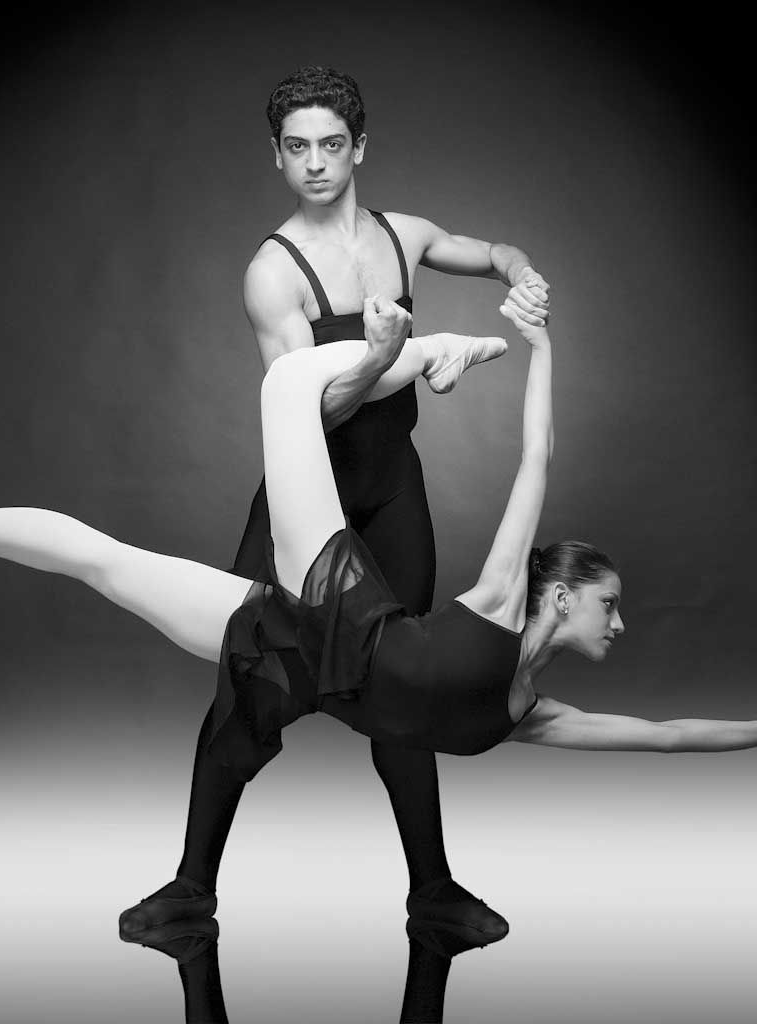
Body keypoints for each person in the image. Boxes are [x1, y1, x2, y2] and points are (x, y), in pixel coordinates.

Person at [0, 300, 757, 920]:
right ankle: (423, 349)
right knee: (286, 387)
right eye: (609, 605)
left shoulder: (528, 713)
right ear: (559, 594)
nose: (619, 624)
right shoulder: (498, 599)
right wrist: (536, 346)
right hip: (338, 601)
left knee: (108, 567)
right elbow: (537, 456)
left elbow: (666, 736)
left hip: (295, 654)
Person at [136, 65, 551, 944]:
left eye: (331, 144)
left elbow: (485, 251)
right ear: (277, 157)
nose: (316, 163)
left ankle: (433, 891)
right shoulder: (271, 273)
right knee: (249, 683)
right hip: (306, 503)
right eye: (298, 148)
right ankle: (189, 889)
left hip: (391, 492)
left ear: (359, 147)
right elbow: (308, 412)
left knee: (410, 685)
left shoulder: (404, 236)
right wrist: (379, 358)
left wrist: (520, 272)